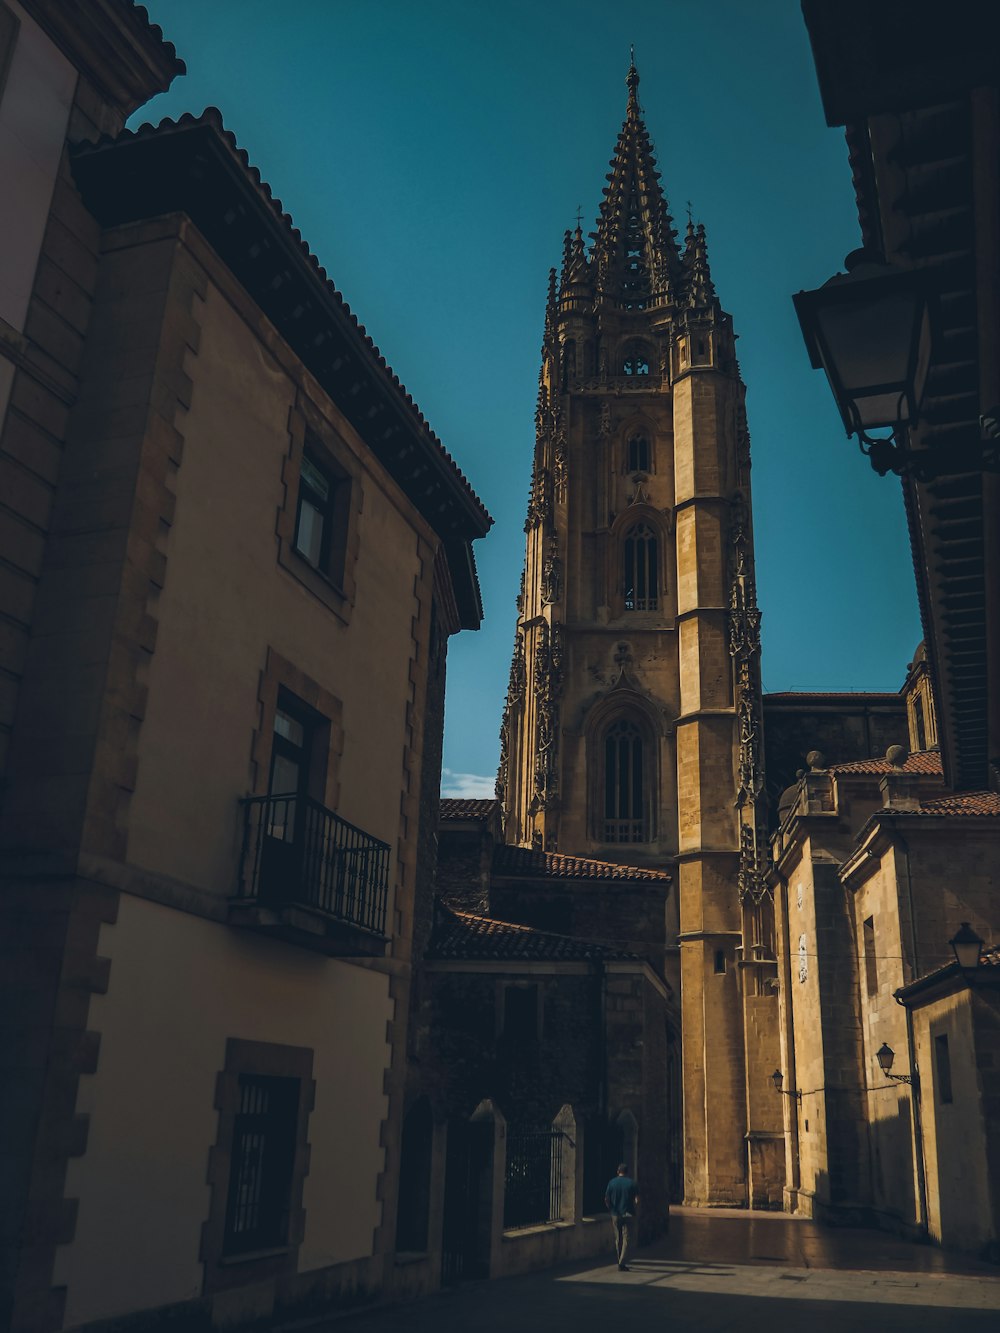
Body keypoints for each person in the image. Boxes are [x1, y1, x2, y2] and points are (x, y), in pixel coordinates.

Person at [604, 1162, 638, 1271]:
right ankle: (622, 1262)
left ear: (618, 1171)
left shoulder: (612, 1183)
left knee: (618, 1238)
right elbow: (637, 1199)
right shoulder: (632, 1183)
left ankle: (619, 1259)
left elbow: (606, 1199)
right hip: (628, 1213)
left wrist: (611, 1209)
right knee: (626, 1239)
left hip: (615, 1214)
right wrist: (634, 1206)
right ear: (627, 1172)